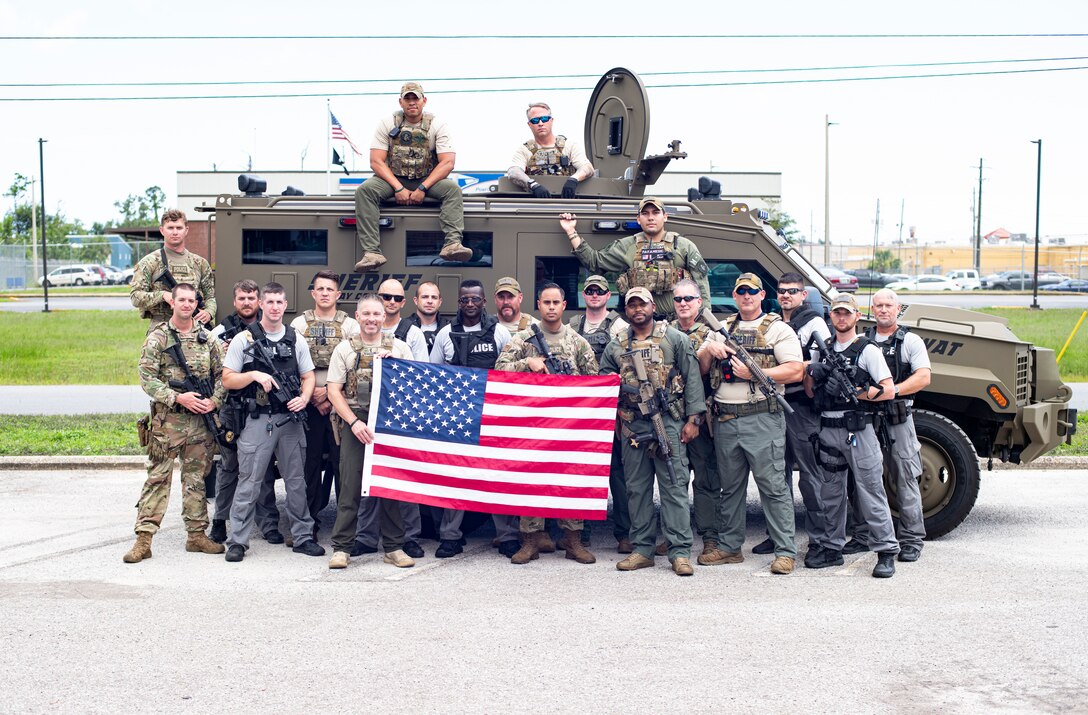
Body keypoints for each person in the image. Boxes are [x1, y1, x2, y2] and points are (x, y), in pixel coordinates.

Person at [696, 273, 802, 575]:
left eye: (752, 292)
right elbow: (703, 369)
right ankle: (730, 548)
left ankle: (784, 551)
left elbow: (796, 370)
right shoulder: (722, 328)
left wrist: (756, 375)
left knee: (773, 487)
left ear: (760, 295)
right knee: (730, 488)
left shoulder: (777, 329)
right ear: (734, 295)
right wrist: (707, 350)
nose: (746, 296)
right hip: (726, 419)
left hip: (762, 417)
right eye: (741, 291)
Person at [599, 287, 706, 577]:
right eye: (631, 305)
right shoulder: (616, 345)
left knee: (673, 485)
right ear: (626, 309)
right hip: (633, 422)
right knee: (637, 489)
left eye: (642, 304)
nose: (637, 310)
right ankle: (642, 549)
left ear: (652, 307)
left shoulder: (675, 339)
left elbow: (693, 378)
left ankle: (680, 551)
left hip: (668, 420)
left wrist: (693, 420)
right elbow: (605, 383)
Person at [494, 282, 599, 565]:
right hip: (534, 424)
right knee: (533, 480)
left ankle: (572, 540)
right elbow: (499, 369)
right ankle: (531, 540)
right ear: (538, 305)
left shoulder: (578, 343)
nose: (551, 307)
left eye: (556, 302)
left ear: (564, 306)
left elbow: (594, 382)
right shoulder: (523, 340)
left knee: (571, 481)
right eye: (546, 302)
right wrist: (526, 363)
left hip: (570, 427)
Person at [220, 282, 324, 562]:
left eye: (280, 302)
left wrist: (304, 397)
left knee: (296, 481)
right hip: (258, 420)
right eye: (270, 302)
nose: (275, 307)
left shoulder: (295, 338)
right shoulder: (245, 339)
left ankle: (302, 536)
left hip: (290, 419)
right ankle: (237, 542)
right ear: (261, 305)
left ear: (284, 304)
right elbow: (228, 378)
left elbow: (308, 375)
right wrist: (254, 375)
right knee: (249, 481)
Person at [123, 282, 225, 562]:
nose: (186, 305)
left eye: (192, 301)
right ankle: (144, 540)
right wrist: (177, 398)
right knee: (158, 478)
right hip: (167, 422)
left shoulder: (208, 338)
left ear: (196, 304)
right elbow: (147, 377)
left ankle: (196, 536)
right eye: (181, 300)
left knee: (196, 480)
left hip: (200, 423)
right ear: (173, 302)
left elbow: (223, 376)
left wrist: (214, 401)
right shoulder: (158, 337)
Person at [804, 293, 899, 578]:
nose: (841, 318)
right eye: (836, 313)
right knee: (831, 494)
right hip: (828, 429)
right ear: (830, 317)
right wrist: (814, 372)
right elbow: (810, 392)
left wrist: (856, 391)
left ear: (857, 316)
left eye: (847, 313)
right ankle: (833, 549)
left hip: (858, 429)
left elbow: (889, 389)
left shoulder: (867, 350)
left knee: (871, 490)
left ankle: (886, 551)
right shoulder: (825, 348)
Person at [326, 293, 415, 570]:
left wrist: (394, 368)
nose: (372, 319)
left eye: (377, 314)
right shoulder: (345, 349)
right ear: (357, 316)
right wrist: (353, 422)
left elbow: (412, 387)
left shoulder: (398, 348)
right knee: (350, 487)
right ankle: (342, 548)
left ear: (384, 317)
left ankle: (394, 547)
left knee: (388, 486)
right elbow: (333, 390)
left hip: (388, 424)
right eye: (366, 314)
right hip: (356, 422)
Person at [428, 279, 516, 558]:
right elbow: (433, 375)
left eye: (475, 299)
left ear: (483, 302)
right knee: (456, 476)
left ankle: (508, 536)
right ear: (458, 301)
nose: (469, 304)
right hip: (457, 416)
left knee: (497, 476)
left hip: (492, 414)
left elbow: (512, 371)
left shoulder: (499, 332)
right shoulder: (445, 334)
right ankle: (450, 537)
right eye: (464, 299)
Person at [747, 272, 832, 559]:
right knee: (774, 475)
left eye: (793, 291)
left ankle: (819, 540)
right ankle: (777, 534)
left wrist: (802, 368)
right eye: (782, 291)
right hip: (772, 404)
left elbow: (823, 363)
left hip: (801, 406)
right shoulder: (772, 322)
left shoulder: (814, 323)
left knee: (809, 475)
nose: (786, 295)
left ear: (803, 295)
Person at [353, 81, 471, 272]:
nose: (411, 102)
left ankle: (452, 245)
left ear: (424, 101)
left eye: (415, 98)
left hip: (426, 178)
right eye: (407, 99)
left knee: (453, 191)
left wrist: (422, 188)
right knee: (365, 191)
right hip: (393, 179)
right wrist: (398, 188)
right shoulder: (387, 123)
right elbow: (376, 161)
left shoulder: (437, 125)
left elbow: (448, 162)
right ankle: (371, 253)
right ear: (400, 102)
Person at [351, 278, 428, 558]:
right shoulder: (358, 334)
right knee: (368, 479)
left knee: (402, 480)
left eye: (396, 298)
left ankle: (408, 538)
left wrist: (394, 359)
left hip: (400, 417)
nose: (391, 302)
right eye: (386, 297)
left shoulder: (407, 338)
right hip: (365, 415)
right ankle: (366, 537)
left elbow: (421, 375)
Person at [857, 288, 929, 562]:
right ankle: (864, 535)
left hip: (898, 416)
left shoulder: (910, 341)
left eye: (889, 305)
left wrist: (893, 391)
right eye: (878, 306)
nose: (883, 310)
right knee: (863, 478)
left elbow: (923, 377)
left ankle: (911, 539)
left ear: (898, 309)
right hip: (867, 418)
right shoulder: (863, 341)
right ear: (872, 310)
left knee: (906, 477)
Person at [289, 271, 361, 538]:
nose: (325, 293)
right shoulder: (299, 324)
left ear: (338, 294)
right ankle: (307, 525)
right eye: (320, 289)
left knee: (344, 467)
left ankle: (346, 528)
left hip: (339, 406)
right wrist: (313, 393)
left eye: (330, 289)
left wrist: (330, 395)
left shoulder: (351, 326)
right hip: (308, 404)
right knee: (307, 466)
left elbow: (355, 366)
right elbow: (291, 366)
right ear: (313, 293)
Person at [207, 279, 279, 545]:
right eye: (241, 298)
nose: (247, 303)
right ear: (234, 301)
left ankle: (268, 523)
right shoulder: (220, 332)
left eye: (251, 298)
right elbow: (209, 369)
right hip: (231, 407)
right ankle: (219, 521)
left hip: (262, 408)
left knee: (264, 467)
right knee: (229, 466)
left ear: (258, 300)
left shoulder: (270, 327)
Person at [559, 197, 710, 318]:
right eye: (645, 213)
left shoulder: (683, 246)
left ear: (665, 217)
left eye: (655, 213)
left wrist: (705, 320)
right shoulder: (627, 246)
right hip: (642, 326)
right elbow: (595, 262)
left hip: (679, 323)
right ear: (638, 219)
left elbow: (701, 284)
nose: (650, 217)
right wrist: (571, 231)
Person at [568, 274, 631, 552]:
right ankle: (580, 533)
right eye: (590, 290)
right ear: (584, 295)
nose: (594, 295)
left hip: (612, 408)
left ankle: (624, 533)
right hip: (581, 411)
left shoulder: (619, 325)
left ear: (608, 296)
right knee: (582, 473)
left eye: (600, 291)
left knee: (618, 475)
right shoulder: (573, 325)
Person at [667, 278, 724, 565]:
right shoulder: (663, 332)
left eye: (689, 298)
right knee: (674, 479)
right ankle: (675, 534)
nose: (683, 304)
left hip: (703, 416)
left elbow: (700, 372)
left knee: (706, 478)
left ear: (699, 302)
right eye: (678, 299)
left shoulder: (712, 333)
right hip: (671, 416)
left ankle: (710, 536)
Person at [129, 209, 216, 332]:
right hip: (161, 330)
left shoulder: (200, 263)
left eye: (179, 228)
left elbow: (210, 297)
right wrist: (163, 295)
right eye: (170, 228)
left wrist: (208, 312)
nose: (175, 232)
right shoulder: (149, 263)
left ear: (186, 230)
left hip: (195, 329)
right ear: (162, 230)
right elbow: (135, 297)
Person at [506, 102, 595, 198]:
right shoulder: (525, 150)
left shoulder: (570, 146)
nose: (540, 123)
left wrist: (574, 179)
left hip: (568, 202)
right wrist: (533, 185)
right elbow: (513, 172)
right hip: (537, 202)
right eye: (535, 120)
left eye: (544, 119)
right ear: (529, 124)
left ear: (551, 120)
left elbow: (587, 168)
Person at [377, 278, 429, 361]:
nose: (392, 302)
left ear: (403, 303)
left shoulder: (414, 333)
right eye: (387, 297)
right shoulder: (366, 329)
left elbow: (421, 369)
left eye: (398, 298)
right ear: (378, 299)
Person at [403, 281, 449, 353]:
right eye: (425, 297)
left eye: (434, 297)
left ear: (440, 302)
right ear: (416, 301)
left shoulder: (449, 328)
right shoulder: (403, 326)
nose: (430, 301)